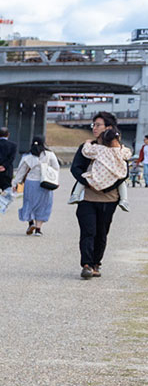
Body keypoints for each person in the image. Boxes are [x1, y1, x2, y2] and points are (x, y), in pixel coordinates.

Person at [70, 111, 125, 280]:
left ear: (109, 127)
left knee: (102, 232)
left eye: (98, 125)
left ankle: (96, 263)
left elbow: (124, 173)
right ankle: (86, 264)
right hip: (87, 197)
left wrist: (105, 186)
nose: (94, 128)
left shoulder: (118, 149)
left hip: (109, 199)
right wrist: (90, 183)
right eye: (93, 125)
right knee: (88, 231)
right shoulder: (87, 148)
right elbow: (76, 168)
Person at [12, 136, 60, 236]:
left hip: (30, 183)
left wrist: (15, 183)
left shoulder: (27, 156)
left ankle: (30, 223)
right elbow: (56, 167)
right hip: (45, 183)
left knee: (29, 203)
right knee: (43, 205)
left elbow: (21, 171)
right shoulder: (49, 155)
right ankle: (38, 229)